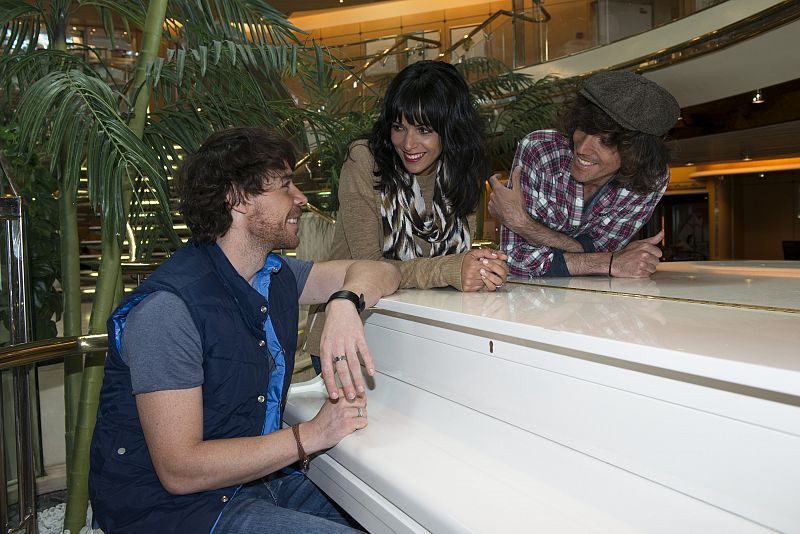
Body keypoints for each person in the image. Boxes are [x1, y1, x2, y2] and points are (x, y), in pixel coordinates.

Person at [89, 127, 401, 534]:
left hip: (254, 483)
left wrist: (344, 303)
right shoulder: (168, 310)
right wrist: (310, 435)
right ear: (237, 199)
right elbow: (180, 470)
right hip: (171, 511)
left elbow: (383, 271)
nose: (301, 198)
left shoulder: (275, 274)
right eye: (286, 185)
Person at [307, 60, 508, 372]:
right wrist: (451, 270)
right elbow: (369, 269)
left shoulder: (462, 172)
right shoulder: (365, 161)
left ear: (451, 129)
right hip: (353, 340)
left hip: (425, 337)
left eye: (424, 130)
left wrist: (482, 270)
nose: (408, 143)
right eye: (399, 127)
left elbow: (460, 263)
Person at [488, 70, 680, 278]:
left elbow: (602, 249)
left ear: (637, 152)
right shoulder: (541, 150)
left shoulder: (651, 177)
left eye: (605, 141)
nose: (583, 149)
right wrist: (610, 261)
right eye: (584, 129)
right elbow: (516, 260)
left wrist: (522, 223)